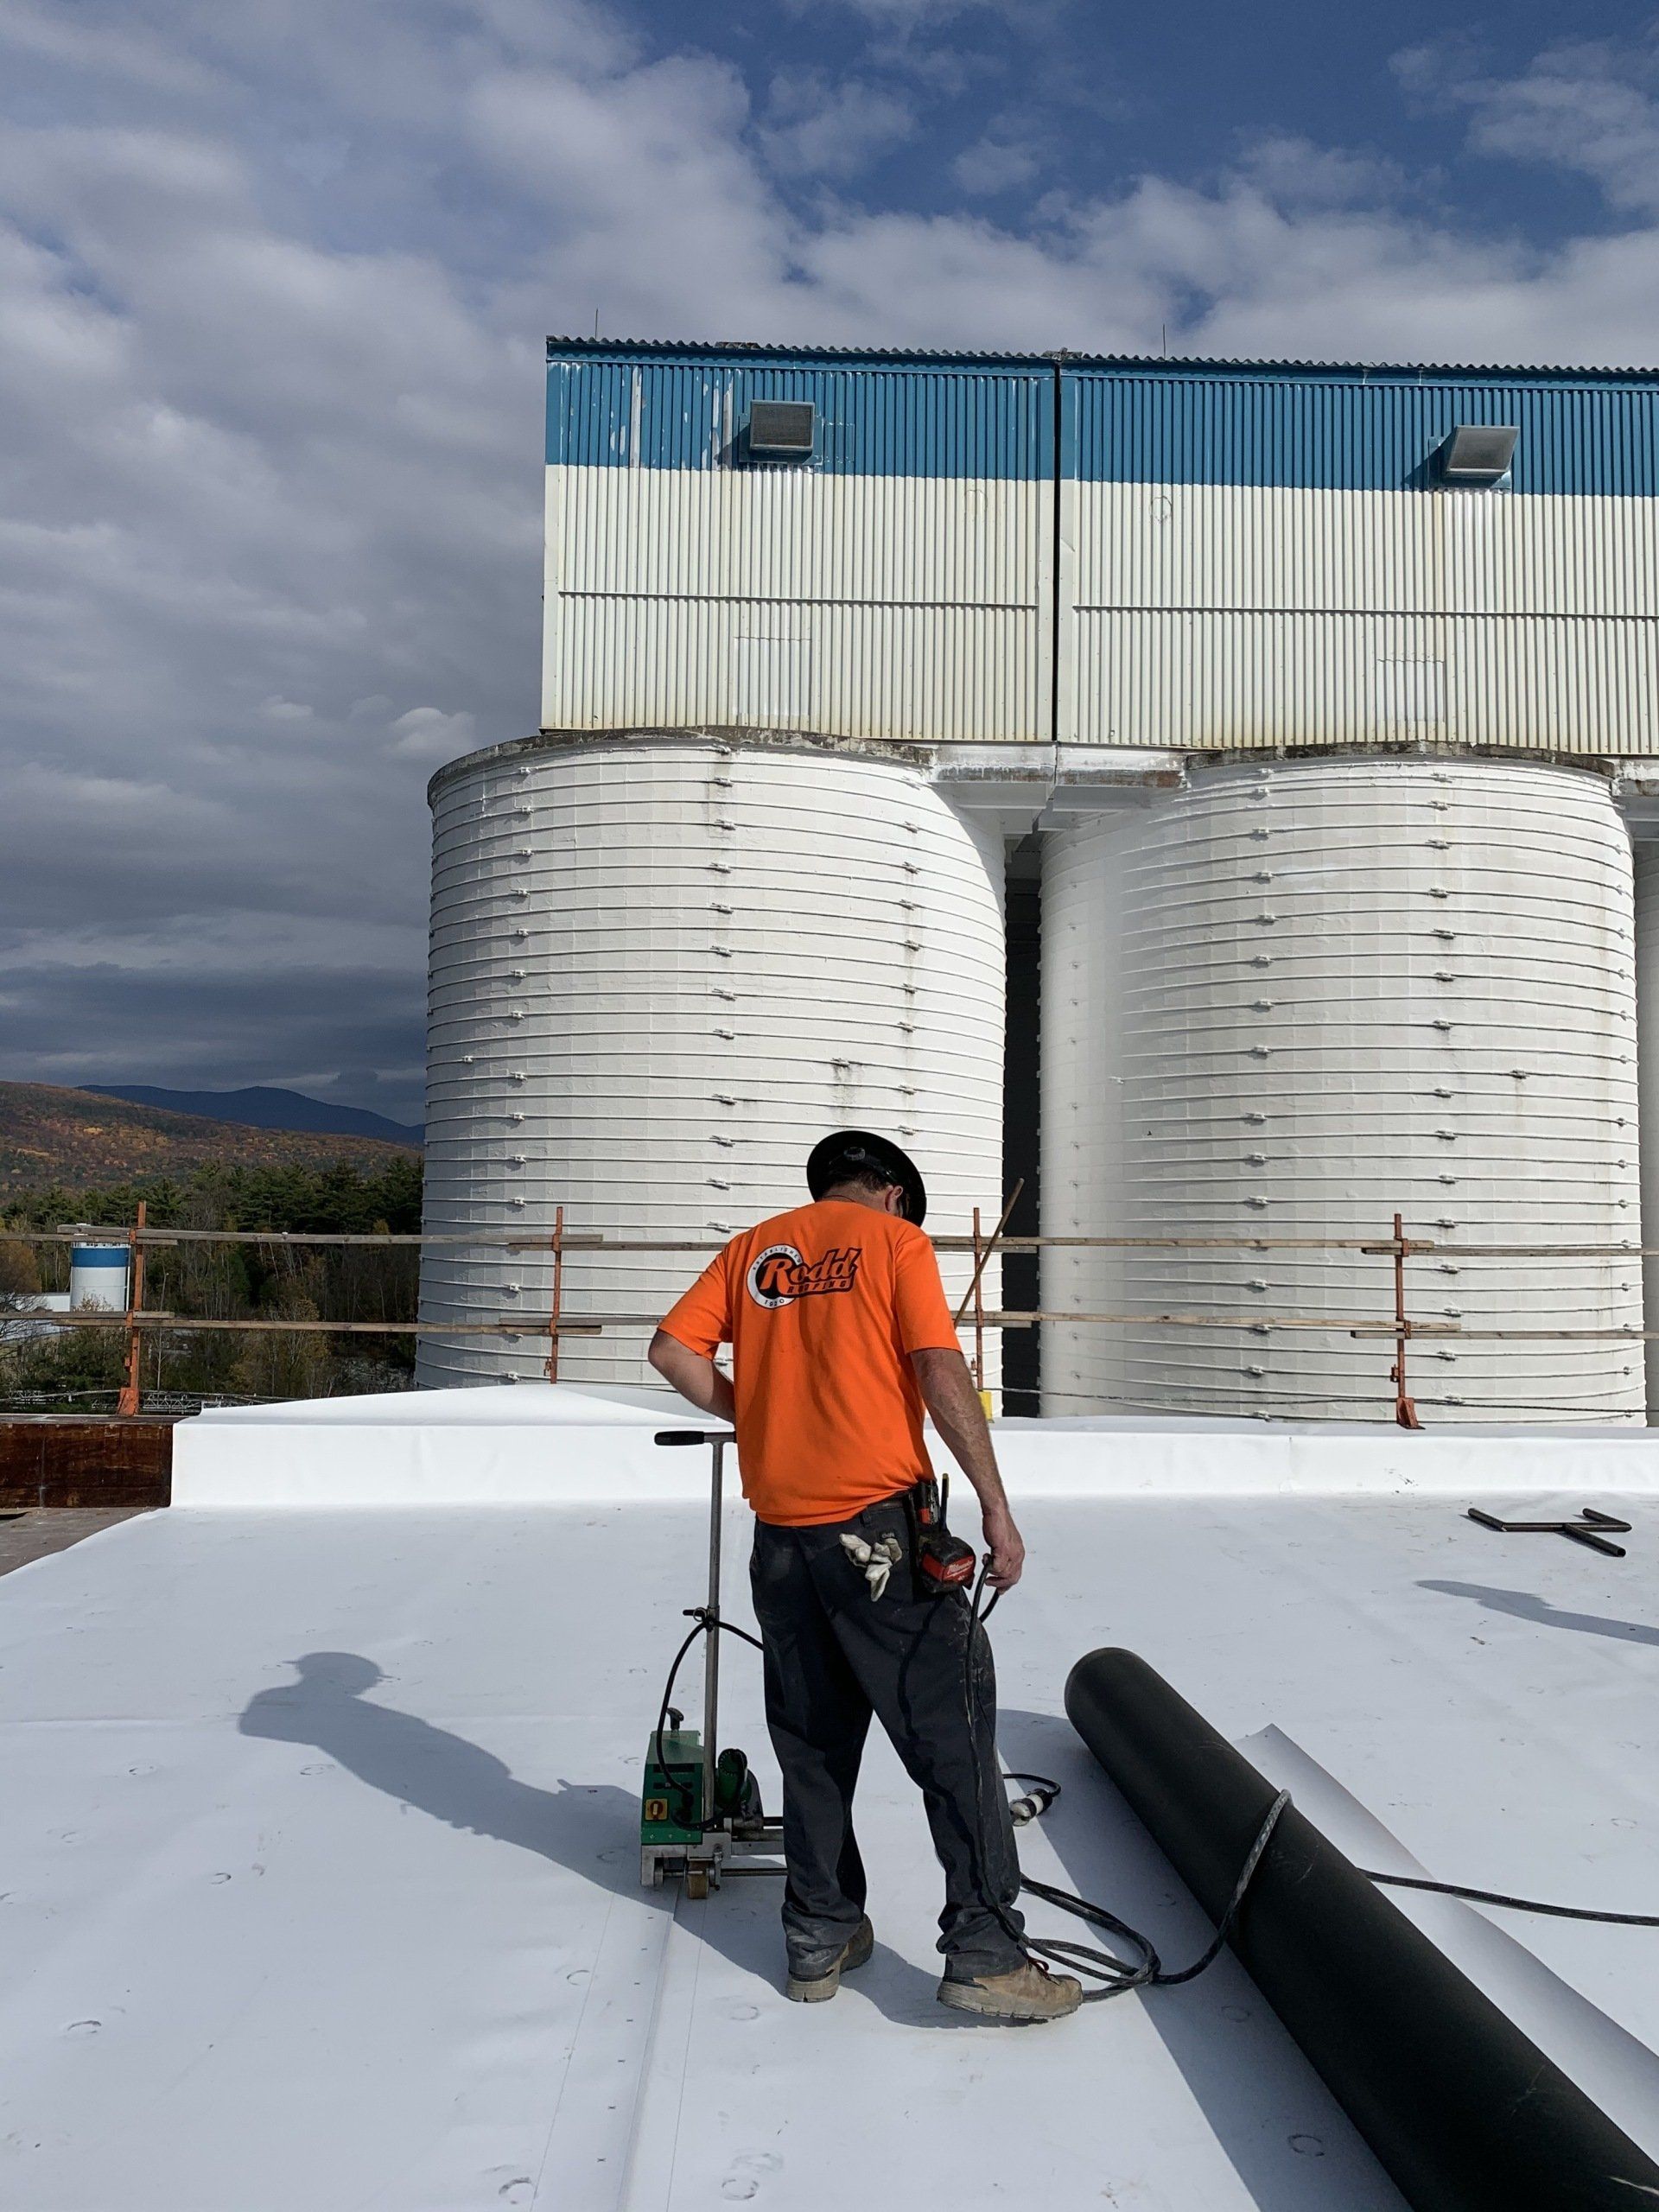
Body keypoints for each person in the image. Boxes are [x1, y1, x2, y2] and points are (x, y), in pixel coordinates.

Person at [649, 1129, 1083, 2024]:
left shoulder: (754, 1249)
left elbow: (672, 1353)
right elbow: (935, 1366)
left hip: (783, 1541)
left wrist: (758, 1415)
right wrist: (996, 1504)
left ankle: (820, 1932)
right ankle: (987, 1956)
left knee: (811, 1741)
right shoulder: (896, 1244)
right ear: (888, 1191)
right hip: (878, 1536)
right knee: (953, 1735)